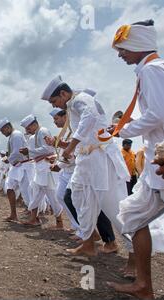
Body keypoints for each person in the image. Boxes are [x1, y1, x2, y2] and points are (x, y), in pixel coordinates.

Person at [41, 75, 132, 258]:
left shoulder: (79, 100)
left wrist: (72, 146)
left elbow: (89, 117)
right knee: (80, 199)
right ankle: (88, 243)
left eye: (54, 101)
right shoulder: (73, 104)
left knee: (114, 206)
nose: (54, 106)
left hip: (100, 159)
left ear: (63, 93)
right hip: (87, 160)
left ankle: (134, 255)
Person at [106, 19, 164, 299]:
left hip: (161, 163)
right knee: (132, 214)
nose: (120, 54)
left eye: (124, 48)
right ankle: (144, 285)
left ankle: (144, 285)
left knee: (133, 215)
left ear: (139, 45)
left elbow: (157, 115)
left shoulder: (152, 71)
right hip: (155, 164)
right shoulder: (150, 70)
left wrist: (122, 130)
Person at [19, 115, 63, 228]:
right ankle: (34, 219)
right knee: (34, 191)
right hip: (40, 167)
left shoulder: (43, 131)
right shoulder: (35, 136)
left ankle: (59, 222)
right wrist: (28, 153)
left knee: (52, 195)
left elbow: (48, 149)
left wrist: (29, 152)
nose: (27, 131)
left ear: (34, 125)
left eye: (28, 128)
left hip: (46, 168)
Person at [0, 118, 30, 222]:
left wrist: (8, 159)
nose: (2, 133)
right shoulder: (13, 136)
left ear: (8, 127)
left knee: (26, 193)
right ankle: (13, 214)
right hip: (16, 167)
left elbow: (17, 152)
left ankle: (35, 217)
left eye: (3, 131)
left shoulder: (16, 135)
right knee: (9, 188)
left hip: (23, 166)